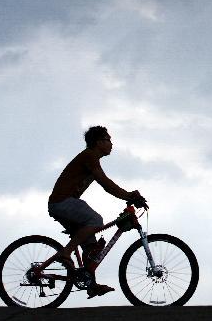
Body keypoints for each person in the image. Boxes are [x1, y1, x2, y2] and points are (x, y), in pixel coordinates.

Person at [47, 125, 144, 298]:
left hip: (63, 203)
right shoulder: (89, 156)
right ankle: (66, 252)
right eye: (108, 140)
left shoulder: (92, 158)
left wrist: (128, 196)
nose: (111, 144)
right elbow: (106, 184)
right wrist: (129, 195)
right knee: (95, 220)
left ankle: (90, 285)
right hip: (62, 202)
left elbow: (107, 184)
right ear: (99, 142)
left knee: (91, 247)